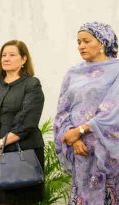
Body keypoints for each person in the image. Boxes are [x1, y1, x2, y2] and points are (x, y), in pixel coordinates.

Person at [54, 21, 119, 205]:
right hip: (81, 154)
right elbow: (62, 111)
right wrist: (72, 136)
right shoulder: (73, 73)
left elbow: (113, 109)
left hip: (108, 154)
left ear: (102, 42)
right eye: (78, 42)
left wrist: (81, 130)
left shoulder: (117, 70)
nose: (81, 46)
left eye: (86, 41)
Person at [0, 40, 45, 205]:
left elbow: (27, 121)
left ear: (23, 60)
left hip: (24, 154)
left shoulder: (32, 84)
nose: (6, 58)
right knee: (4, 200)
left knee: (23, 200)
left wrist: (0, 143)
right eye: (3, 55)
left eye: (12, 55)